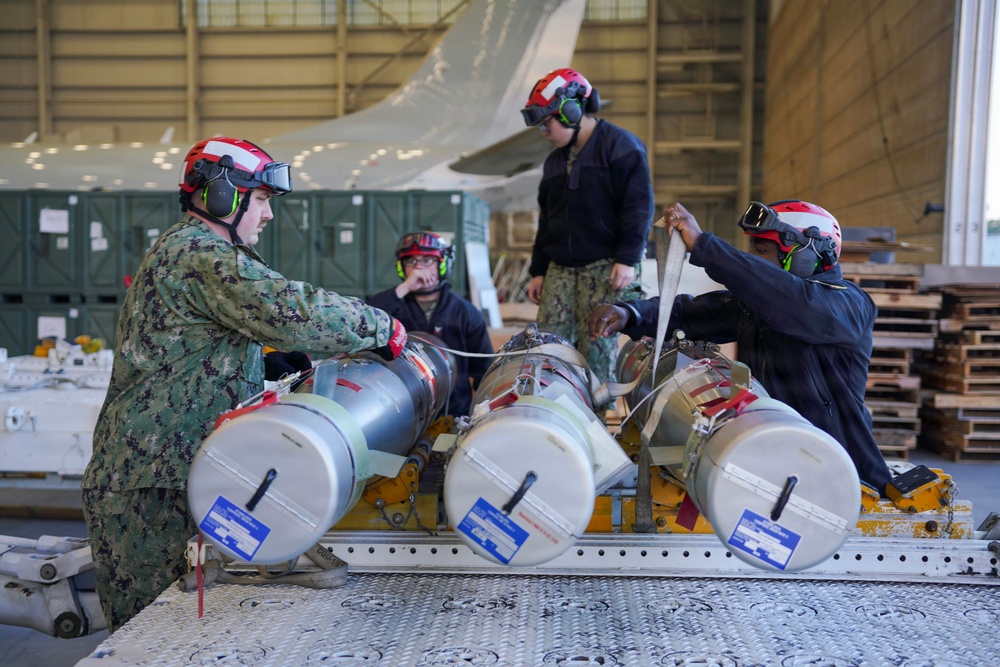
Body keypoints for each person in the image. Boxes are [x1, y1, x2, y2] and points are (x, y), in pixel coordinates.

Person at [81, 136, 408, 632]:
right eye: (260, 200)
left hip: (170, 473)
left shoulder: (190, 250)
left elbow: (200, 343)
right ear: (222, 196)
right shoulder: (201, 253)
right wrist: (382, 328)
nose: (268, 215)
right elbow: (288, 308)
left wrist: (263, 362)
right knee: (149, 634)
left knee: (185, 631)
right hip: (151, 485)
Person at [588, 200, 892, 495]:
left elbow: (793, 303)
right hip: (773, 464)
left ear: (804, 255)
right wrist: (630, 313)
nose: (753, 257)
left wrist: (706, 246)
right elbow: (688, 313)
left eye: (761, 250)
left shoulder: (847, 304)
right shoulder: (758, 305)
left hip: (842, 479)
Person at [520, 67, 654, 409]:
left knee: (597, 346)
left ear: (572, 110)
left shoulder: (621, 147)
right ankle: (552, 411)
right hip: (560, 270)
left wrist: (627, 258)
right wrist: (539, 270)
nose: (544, 131)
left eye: (547, 122)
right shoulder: (553, 163)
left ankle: (595, 424)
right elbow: (546, 220)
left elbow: (638, 206)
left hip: (604, 267)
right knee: (550, 344)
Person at [366, 232, 493, 418]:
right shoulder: (389, 305)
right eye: (411, 261)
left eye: (427, 260)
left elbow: (484, 372)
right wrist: (406, 288)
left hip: (452, 413)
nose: (418, 268)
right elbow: (363, 320)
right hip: (399, 413)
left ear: (442, 265)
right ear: (402, 268)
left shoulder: (465, 313)